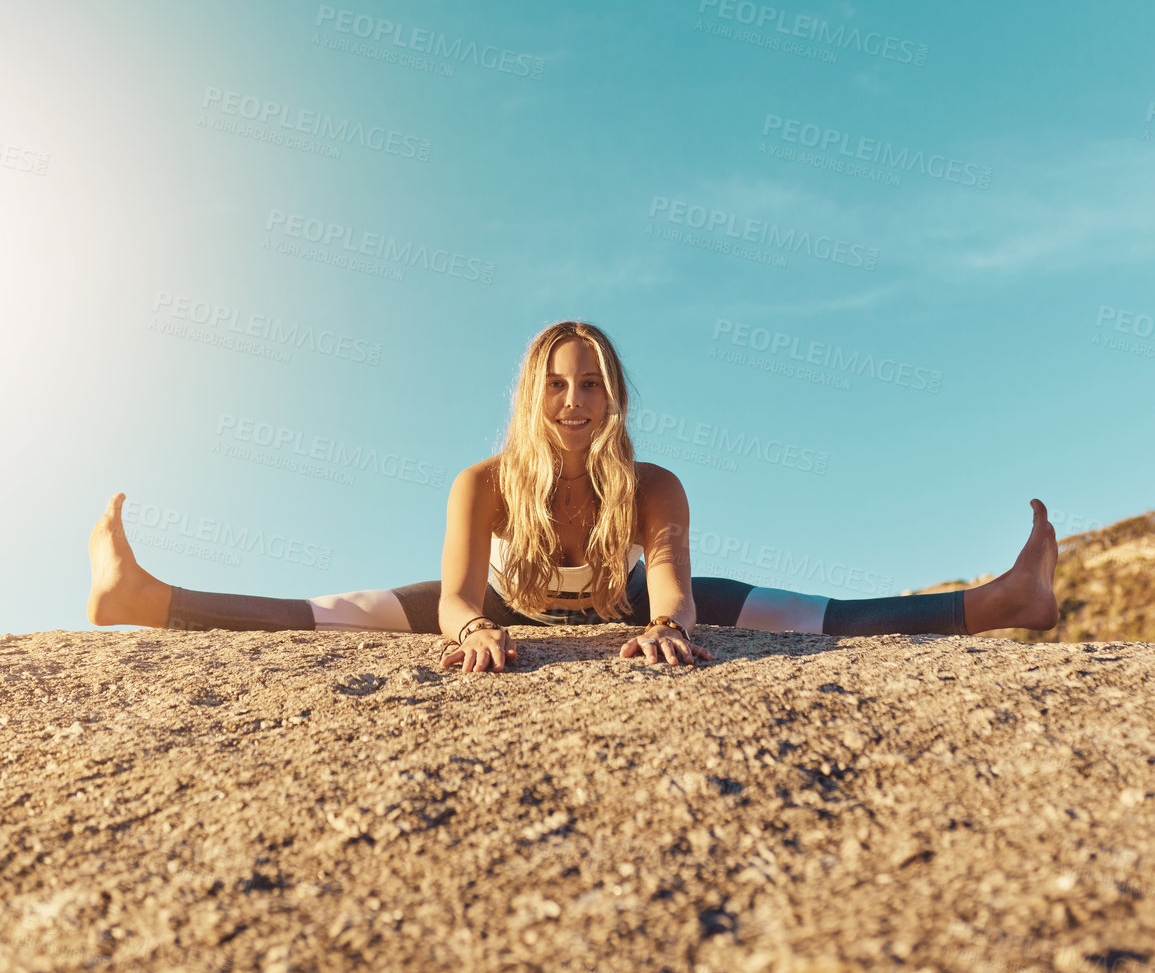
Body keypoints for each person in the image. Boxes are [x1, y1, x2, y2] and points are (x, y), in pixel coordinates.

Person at [88, 319, 1059, 670]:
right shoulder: (483, 483)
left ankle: (1008, 600)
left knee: (812, 615)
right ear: (532, 392)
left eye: (591, 382)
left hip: (619, 599)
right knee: (331, 612)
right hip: (510, 603)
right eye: (557, 383)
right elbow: (461, 593)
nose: (574, 400)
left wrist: (671, 626)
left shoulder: (655, 486)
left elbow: (671, 583)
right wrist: (469, 632)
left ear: (615, 395)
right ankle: (139, 600)